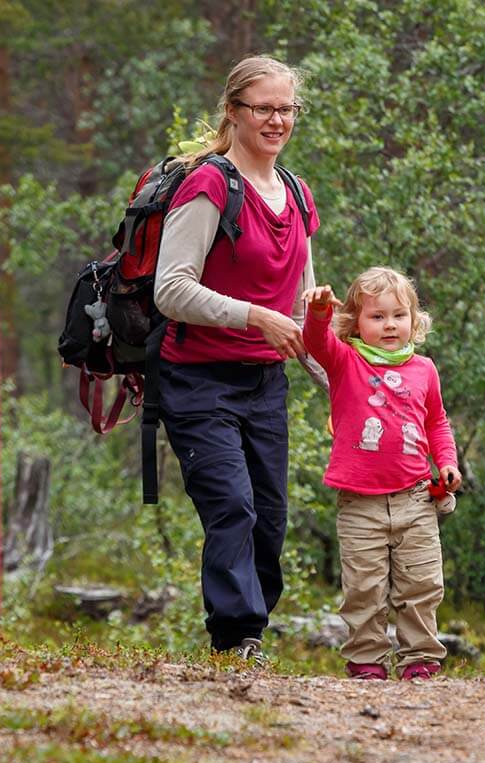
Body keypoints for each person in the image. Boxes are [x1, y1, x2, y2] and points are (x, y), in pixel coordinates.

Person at [153, 56, 323, 664]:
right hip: (197, 379)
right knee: (233, 507)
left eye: (287, 109)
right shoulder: (209, 185)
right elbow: (169, 289)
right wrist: (254, 316)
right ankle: (236, 640)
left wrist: (349, 384)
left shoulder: (298, 194)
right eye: (264, 108)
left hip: (264, 384)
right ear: (234, 111)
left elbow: (304, 313)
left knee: (269, 521)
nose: (277, 120)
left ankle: (251, 630)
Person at [302, 268, 461, 681]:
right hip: (359, 502)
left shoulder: (424, 369)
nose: (390, 325)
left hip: (415, 498)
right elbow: (315, 342)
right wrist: (318, 312)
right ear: (356, 322)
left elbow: (437, 422)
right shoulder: (345, 360)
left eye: (398, 315)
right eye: (377, 316)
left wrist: (447, 461)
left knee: (421, 584)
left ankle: (420, 659)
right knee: (364, 589)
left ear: (414, 319)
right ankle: (367, 660)